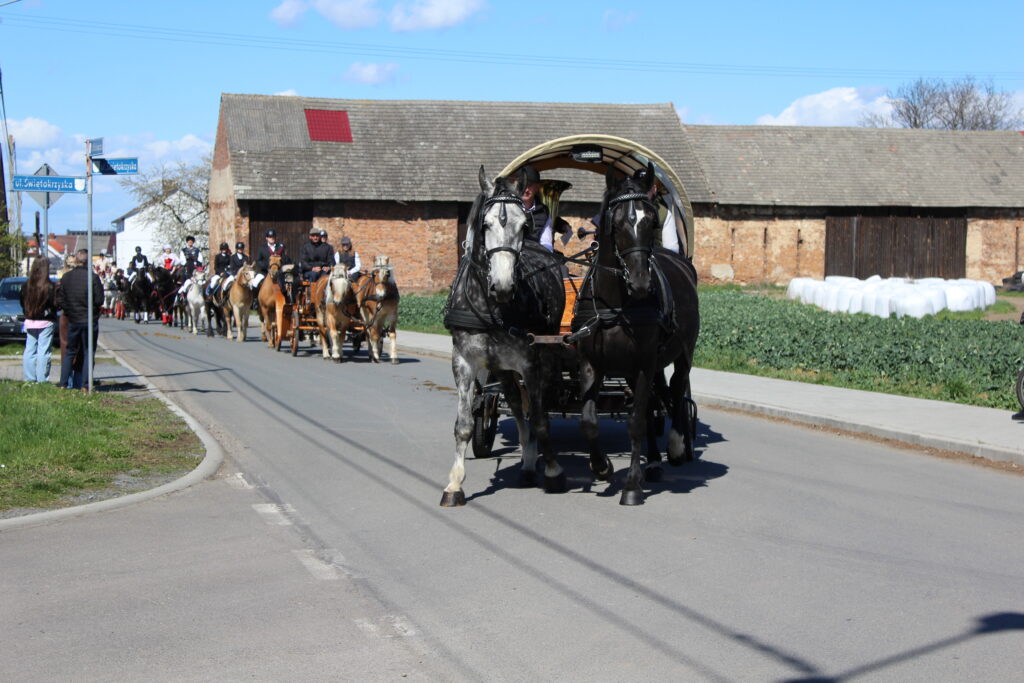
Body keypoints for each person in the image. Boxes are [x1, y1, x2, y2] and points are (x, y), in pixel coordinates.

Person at [58, 249, 103, 390]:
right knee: (88, 352)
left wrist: (71, 311)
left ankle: (63, 383)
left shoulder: (66, 278)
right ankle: (85, 385)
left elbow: (62, 300)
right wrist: (93, 311)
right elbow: (99, 300)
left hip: (74, 319)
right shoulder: (93, 278)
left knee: (70, 351)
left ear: (76, 260)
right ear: (88, 261)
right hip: (89, 320)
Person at [19, 258, 58, 384]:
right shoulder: (49, 286)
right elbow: (54, 304)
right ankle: (42, 380)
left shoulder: (27, 285)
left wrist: (28, 312)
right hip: (46, 321)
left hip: (30, 321)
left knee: (29, 350)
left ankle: (29, 378)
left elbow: (22, 301)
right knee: (43, 351)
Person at [517, 165, 555, 252]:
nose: (526, 190)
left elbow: (546, 242)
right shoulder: (509, 208)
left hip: (534, 257)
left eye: (529, 185)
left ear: (537, 187)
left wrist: (548, 258)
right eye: (523, 185)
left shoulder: (544, 212)